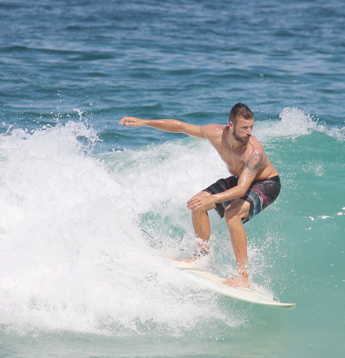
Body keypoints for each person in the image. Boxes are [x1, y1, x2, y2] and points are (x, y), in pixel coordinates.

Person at [118, 103, 280, 288]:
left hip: (266, 184)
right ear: (231, 125)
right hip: (240, 179)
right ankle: (202, 258)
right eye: (244, 128)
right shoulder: (215, 133)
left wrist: (212, 198)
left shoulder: (253, 153)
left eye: (251, 127)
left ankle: (243, 277)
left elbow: (242, 190)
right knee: (197, 203)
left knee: (231, 215)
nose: (249, 132)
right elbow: (180, 127)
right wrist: (145, 122)